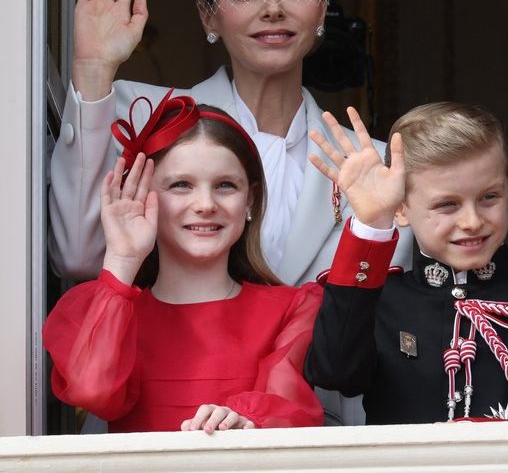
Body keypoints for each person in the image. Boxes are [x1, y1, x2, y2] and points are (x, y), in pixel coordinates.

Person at [48, 0, 411, 425]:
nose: (273, 9)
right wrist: (92, 71)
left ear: (323, 7)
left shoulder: (374, 162)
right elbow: (78, 256)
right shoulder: (146, 118)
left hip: (318, 439)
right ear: (207, 17)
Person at [304, 103, 508, 424]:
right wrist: (372, 223)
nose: (472, 221)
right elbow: (334, 373)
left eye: (489, 198)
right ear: (401, 207)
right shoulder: (380, 304)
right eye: (447, 205)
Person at [43, 92, 323, 433]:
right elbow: (93, 392)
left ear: (249, 199)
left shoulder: (291, 309)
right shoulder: (109, 314)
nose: (205, 203)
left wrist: (246, 419)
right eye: (181, 185)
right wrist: (122, 257)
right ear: (143, 196)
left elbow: (292, 408)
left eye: (225, 185)